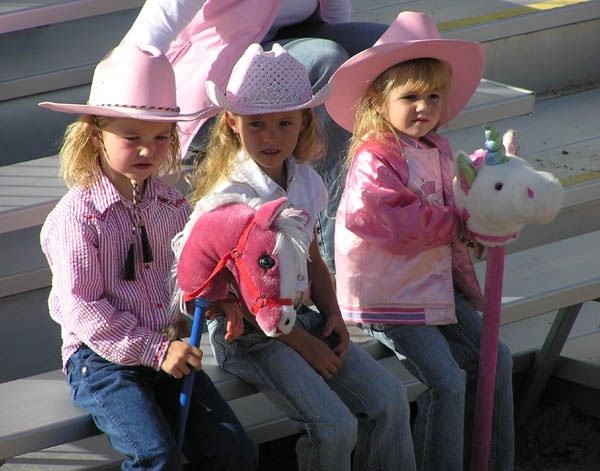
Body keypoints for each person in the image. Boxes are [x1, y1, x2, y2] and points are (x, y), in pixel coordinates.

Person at [172, 42, 417, 471]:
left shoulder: (304, 182)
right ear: (232, 122)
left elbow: (312, 259)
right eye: (257, 124)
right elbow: (248, 299)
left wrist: (333, 315)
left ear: (304, 121)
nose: (271, 137)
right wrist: (306, 345)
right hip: (250, 335)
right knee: (334, 426)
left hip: (302, 319)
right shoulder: (232, 198)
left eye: (285, 123)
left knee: (390, 400)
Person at [38, 44, 258, 471]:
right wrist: (156, 351)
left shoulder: (172, 205)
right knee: (156, 455)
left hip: (166, 347)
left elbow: (190, 275)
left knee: (235, 452)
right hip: (102, 361)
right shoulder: (78, 217)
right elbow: (81, 309)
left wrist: (217, 299)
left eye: (161, 137)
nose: (147, 150)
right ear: (94, 134)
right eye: (132, 138)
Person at [326, 12, 515, 471]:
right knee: (446, 381)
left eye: (433, 96)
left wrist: (484, 192)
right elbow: (390, 218)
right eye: (409, 96)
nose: (423, 107)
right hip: (389, 296)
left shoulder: (436, 148)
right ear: (378, 100)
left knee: (496, 357)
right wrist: (458, 222)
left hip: (431, 288)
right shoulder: (376, 156)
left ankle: (490, 460)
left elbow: (456, 200)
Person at [121, 0, 388, 274]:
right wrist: (125, 102)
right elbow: (155, 25)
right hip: (221, 75)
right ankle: (335, 260)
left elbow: (333, 15)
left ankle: (400, 200)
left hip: (287, 49)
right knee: (327, 60)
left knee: (389, 49)